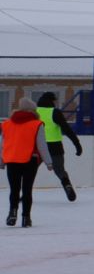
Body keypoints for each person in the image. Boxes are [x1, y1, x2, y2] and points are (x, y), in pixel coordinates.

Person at [5, 96, 55, 227]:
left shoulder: (7, 124)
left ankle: (12, 213)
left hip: (12, 160)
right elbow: (41, 145)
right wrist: (49, 162)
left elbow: (2, 144)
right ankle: (26, 218)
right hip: (30, 160)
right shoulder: (36, 124)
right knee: (27, 189)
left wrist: (1, 160)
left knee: (14, 189)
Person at [35, 92, 81, 202]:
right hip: (55, 146)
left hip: (37, 147)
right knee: (60, 170)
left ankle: (25, 194)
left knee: (30, 172)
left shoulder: (34, 112)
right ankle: (67, 186)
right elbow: (67, 129)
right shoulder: (55, 112)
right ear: (51, 101)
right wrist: (77, 144)